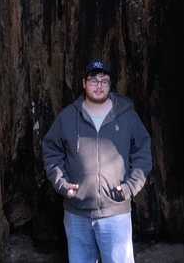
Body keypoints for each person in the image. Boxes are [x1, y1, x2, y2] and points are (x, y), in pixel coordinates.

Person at [42, 60, 152, 263]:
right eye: (93, 80)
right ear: (84, 83)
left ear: (110, 85)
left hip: (115, 213)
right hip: (77, 215)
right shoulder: (67, 117)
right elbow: (51, 151)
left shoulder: (127, 116)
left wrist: (131, 187)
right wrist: (62, 183)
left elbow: (143, 153)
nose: (99, 85)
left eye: (104, 80)